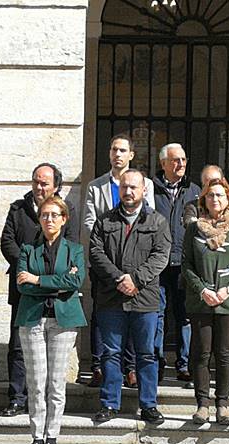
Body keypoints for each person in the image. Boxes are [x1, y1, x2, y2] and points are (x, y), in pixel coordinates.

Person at [89, 169, 171, 424]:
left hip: (144, 299)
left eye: (133, 187)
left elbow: (161, 256)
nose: (128, 192)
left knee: (147, 353)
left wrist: (136, 279)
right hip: (111, 298)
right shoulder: (105, 221)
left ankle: (148, 405)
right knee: (111, 352)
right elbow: (95, 253)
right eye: (124, 187)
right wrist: (118, 279)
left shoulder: (157, 222)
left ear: (144, 190)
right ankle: (109, 404)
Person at [0, 163, 79, 418]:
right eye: (35, 181)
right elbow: (8, 241)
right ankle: (17, 397)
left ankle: (46, 403)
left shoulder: (66, 212)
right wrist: (26, 263)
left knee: (52, 358)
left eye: (44, 183)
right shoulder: (18, 209)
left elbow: (72, 252)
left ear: (56, 186)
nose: (38, 187)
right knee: (19, 347)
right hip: (24, 291)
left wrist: (40, 277)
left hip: (57, 299)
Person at [81, 134, 155, 388]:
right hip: (105, 263)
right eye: (114, 149)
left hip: (136, 266)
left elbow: (151, 220)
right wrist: (107, 259)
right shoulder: (96, 186)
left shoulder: (146, 185)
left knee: (135, 315)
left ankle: (131, 368)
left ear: (131, 155)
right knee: (103, 317)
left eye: (123, 150)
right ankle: (99, 366)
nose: (118, 154)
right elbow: (90, 223)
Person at [15, 196, 86, 444]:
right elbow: (21, 284)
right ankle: (36, 434)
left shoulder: (75, 250)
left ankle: (52, 434)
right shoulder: (27, 249)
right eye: (45, 215)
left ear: (64, 218)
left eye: (55, 215)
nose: (49, 220)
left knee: (56, 382)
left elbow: (75, 283)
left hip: (64, 321)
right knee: (35, 382)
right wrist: (53, 281)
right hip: (33, 319)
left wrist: (37, 279)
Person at [182, 178, 229, 425]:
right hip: (201, 300)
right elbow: (187, 264)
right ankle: (202, 404)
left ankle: (222, 403)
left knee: (225, 353)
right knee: (201, 353)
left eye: (220, 196)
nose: (215, 200)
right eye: (211, 195)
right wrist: (202, 290)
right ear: (204, 200)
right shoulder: (193, 229)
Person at [152, 143, 200, 383]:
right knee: (158, 314)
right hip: (158, 262)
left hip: (184, 262)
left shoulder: (194, 191)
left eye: (183, 159)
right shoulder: (152, 189)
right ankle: (157, 363)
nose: (181, 164)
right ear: (163, 164)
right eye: (175, 160)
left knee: (185, 316)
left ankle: (184, 365)